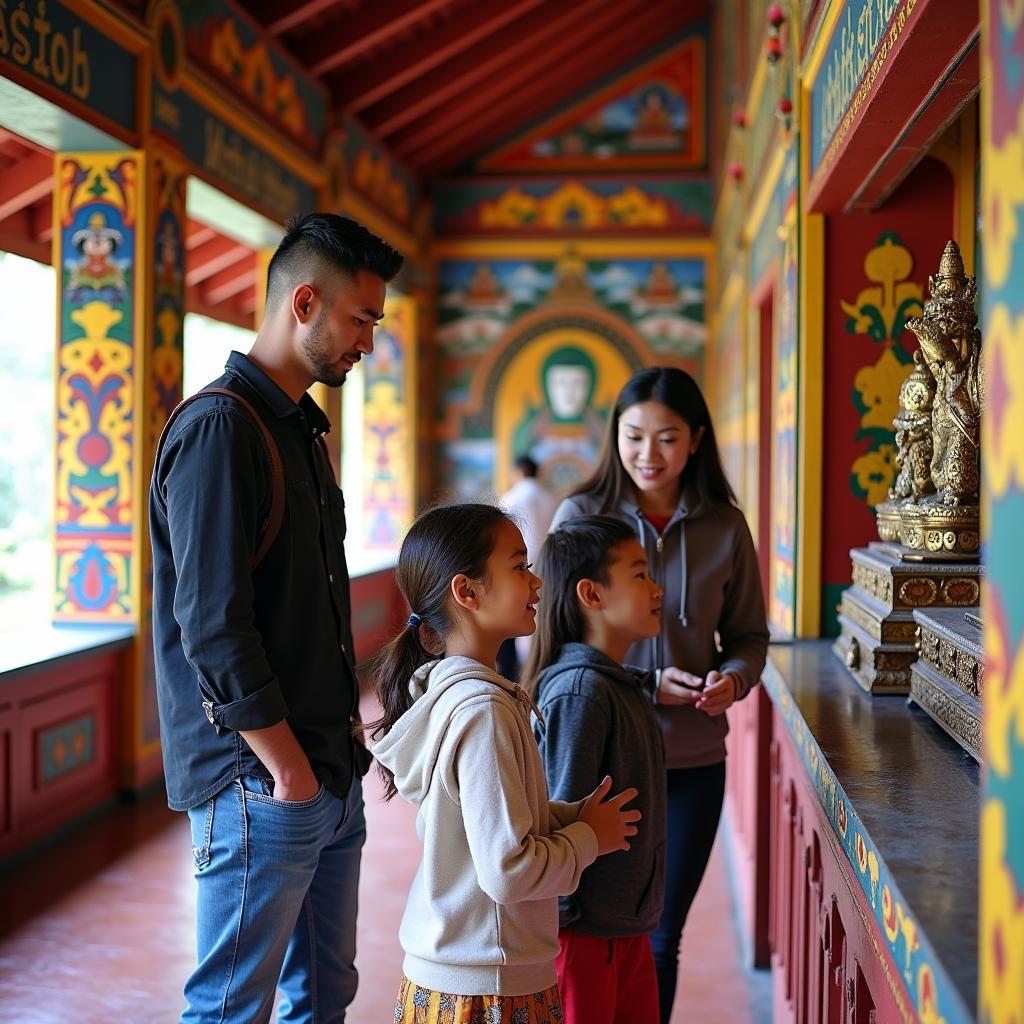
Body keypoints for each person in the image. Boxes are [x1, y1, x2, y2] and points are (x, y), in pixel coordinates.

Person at [149, 213, 404, 1024]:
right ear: (304, 302)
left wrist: (335, 747)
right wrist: (288, 772)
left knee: (325, 995)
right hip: (260, 781)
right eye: (361, 318)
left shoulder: (302, 429)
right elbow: (214, 628)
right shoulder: (222, 429)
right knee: (233, 1010)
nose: (369, 340)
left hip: (327, 767)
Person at [549, 366, 769, 1023]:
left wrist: (733, 678)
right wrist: (647, 686)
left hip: (695, 762)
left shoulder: (725, 527)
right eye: (634, 436)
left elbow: (751, 636)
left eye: (667, 438)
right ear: (613, 434)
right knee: (589, 933)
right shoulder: (582, 518)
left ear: (697, 440)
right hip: (601, 763)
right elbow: (552, 644)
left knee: (661, 937)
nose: (649, 455)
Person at [369, 503, 642, 1023]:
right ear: (467, 592)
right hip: (487, 986)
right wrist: (590, 840)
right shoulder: (484, 711)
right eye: (519, 566)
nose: (536, 583)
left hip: (464, 971)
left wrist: (567, 816)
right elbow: (508, 872)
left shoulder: (460, 694)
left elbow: (482, 828)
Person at [523, 515, 666, 1023]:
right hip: (580, 936)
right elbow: (560, 814)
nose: (656, 589)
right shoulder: (581, 692)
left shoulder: (616, 684)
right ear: (593, 594)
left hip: (624, 929)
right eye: (640, 574)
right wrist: (561, 924)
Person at [496, 454, 558, 679]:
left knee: (517, 616)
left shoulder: (512, 498)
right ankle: (540, 667)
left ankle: (521, 672)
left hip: (519, 567)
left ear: (518, 471)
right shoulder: (550, 498)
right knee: (542, 617)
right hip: (549, 563)